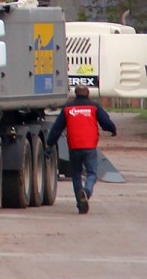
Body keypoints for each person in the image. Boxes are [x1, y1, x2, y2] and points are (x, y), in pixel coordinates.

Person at [46, 84, 117, 214]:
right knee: (91, 173)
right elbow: (106, 122)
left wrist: (49, 144)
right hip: (89, 146)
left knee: (76, 174)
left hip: (74, 146)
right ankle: (86, 191)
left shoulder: (68, 108)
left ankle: (80, 202)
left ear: (75, 94)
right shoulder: (94, 107)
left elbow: (57, 129)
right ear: (88, 94)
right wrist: (112, 130)